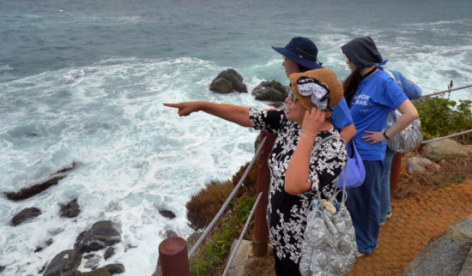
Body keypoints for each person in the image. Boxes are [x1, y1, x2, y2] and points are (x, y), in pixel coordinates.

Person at [165, 69, 348, 276]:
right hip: (281, 238)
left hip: (307, 246)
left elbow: (294, 185)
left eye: (294, 97)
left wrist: (308, 134)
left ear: (313, 107)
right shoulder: (289, 122)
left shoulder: (332, 148)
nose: (287, 99)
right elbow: (246, 115)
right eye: (289, 93)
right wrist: (201, 105)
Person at [339, 36, 419, 257]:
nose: (347, 62)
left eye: (350, 57)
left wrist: (385, 135)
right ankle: (355, 238)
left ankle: (366, 245)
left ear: (359, 58)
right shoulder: (359, 80)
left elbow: (411, 113)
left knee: (367, 201)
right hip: (350, 152)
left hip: (368, 154)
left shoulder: (383, 81)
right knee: (351, 199)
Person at [272, 36, 357, 143]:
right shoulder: (300, 86)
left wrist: (327, 153)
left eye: (286, 59)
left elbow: (349, 129)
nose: (283, 64)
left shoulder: (325, 91)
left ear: (298, 62)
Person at [379, 69, 422, 226]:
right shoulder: (395, 75)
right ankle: (386, 209)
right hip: (397, 134)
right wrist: (406, 84)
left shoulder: (372, 79)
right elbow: (417, 92)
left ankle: (381, 215)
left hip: (384, 133)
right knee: (385, 174)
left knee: (380, 176)